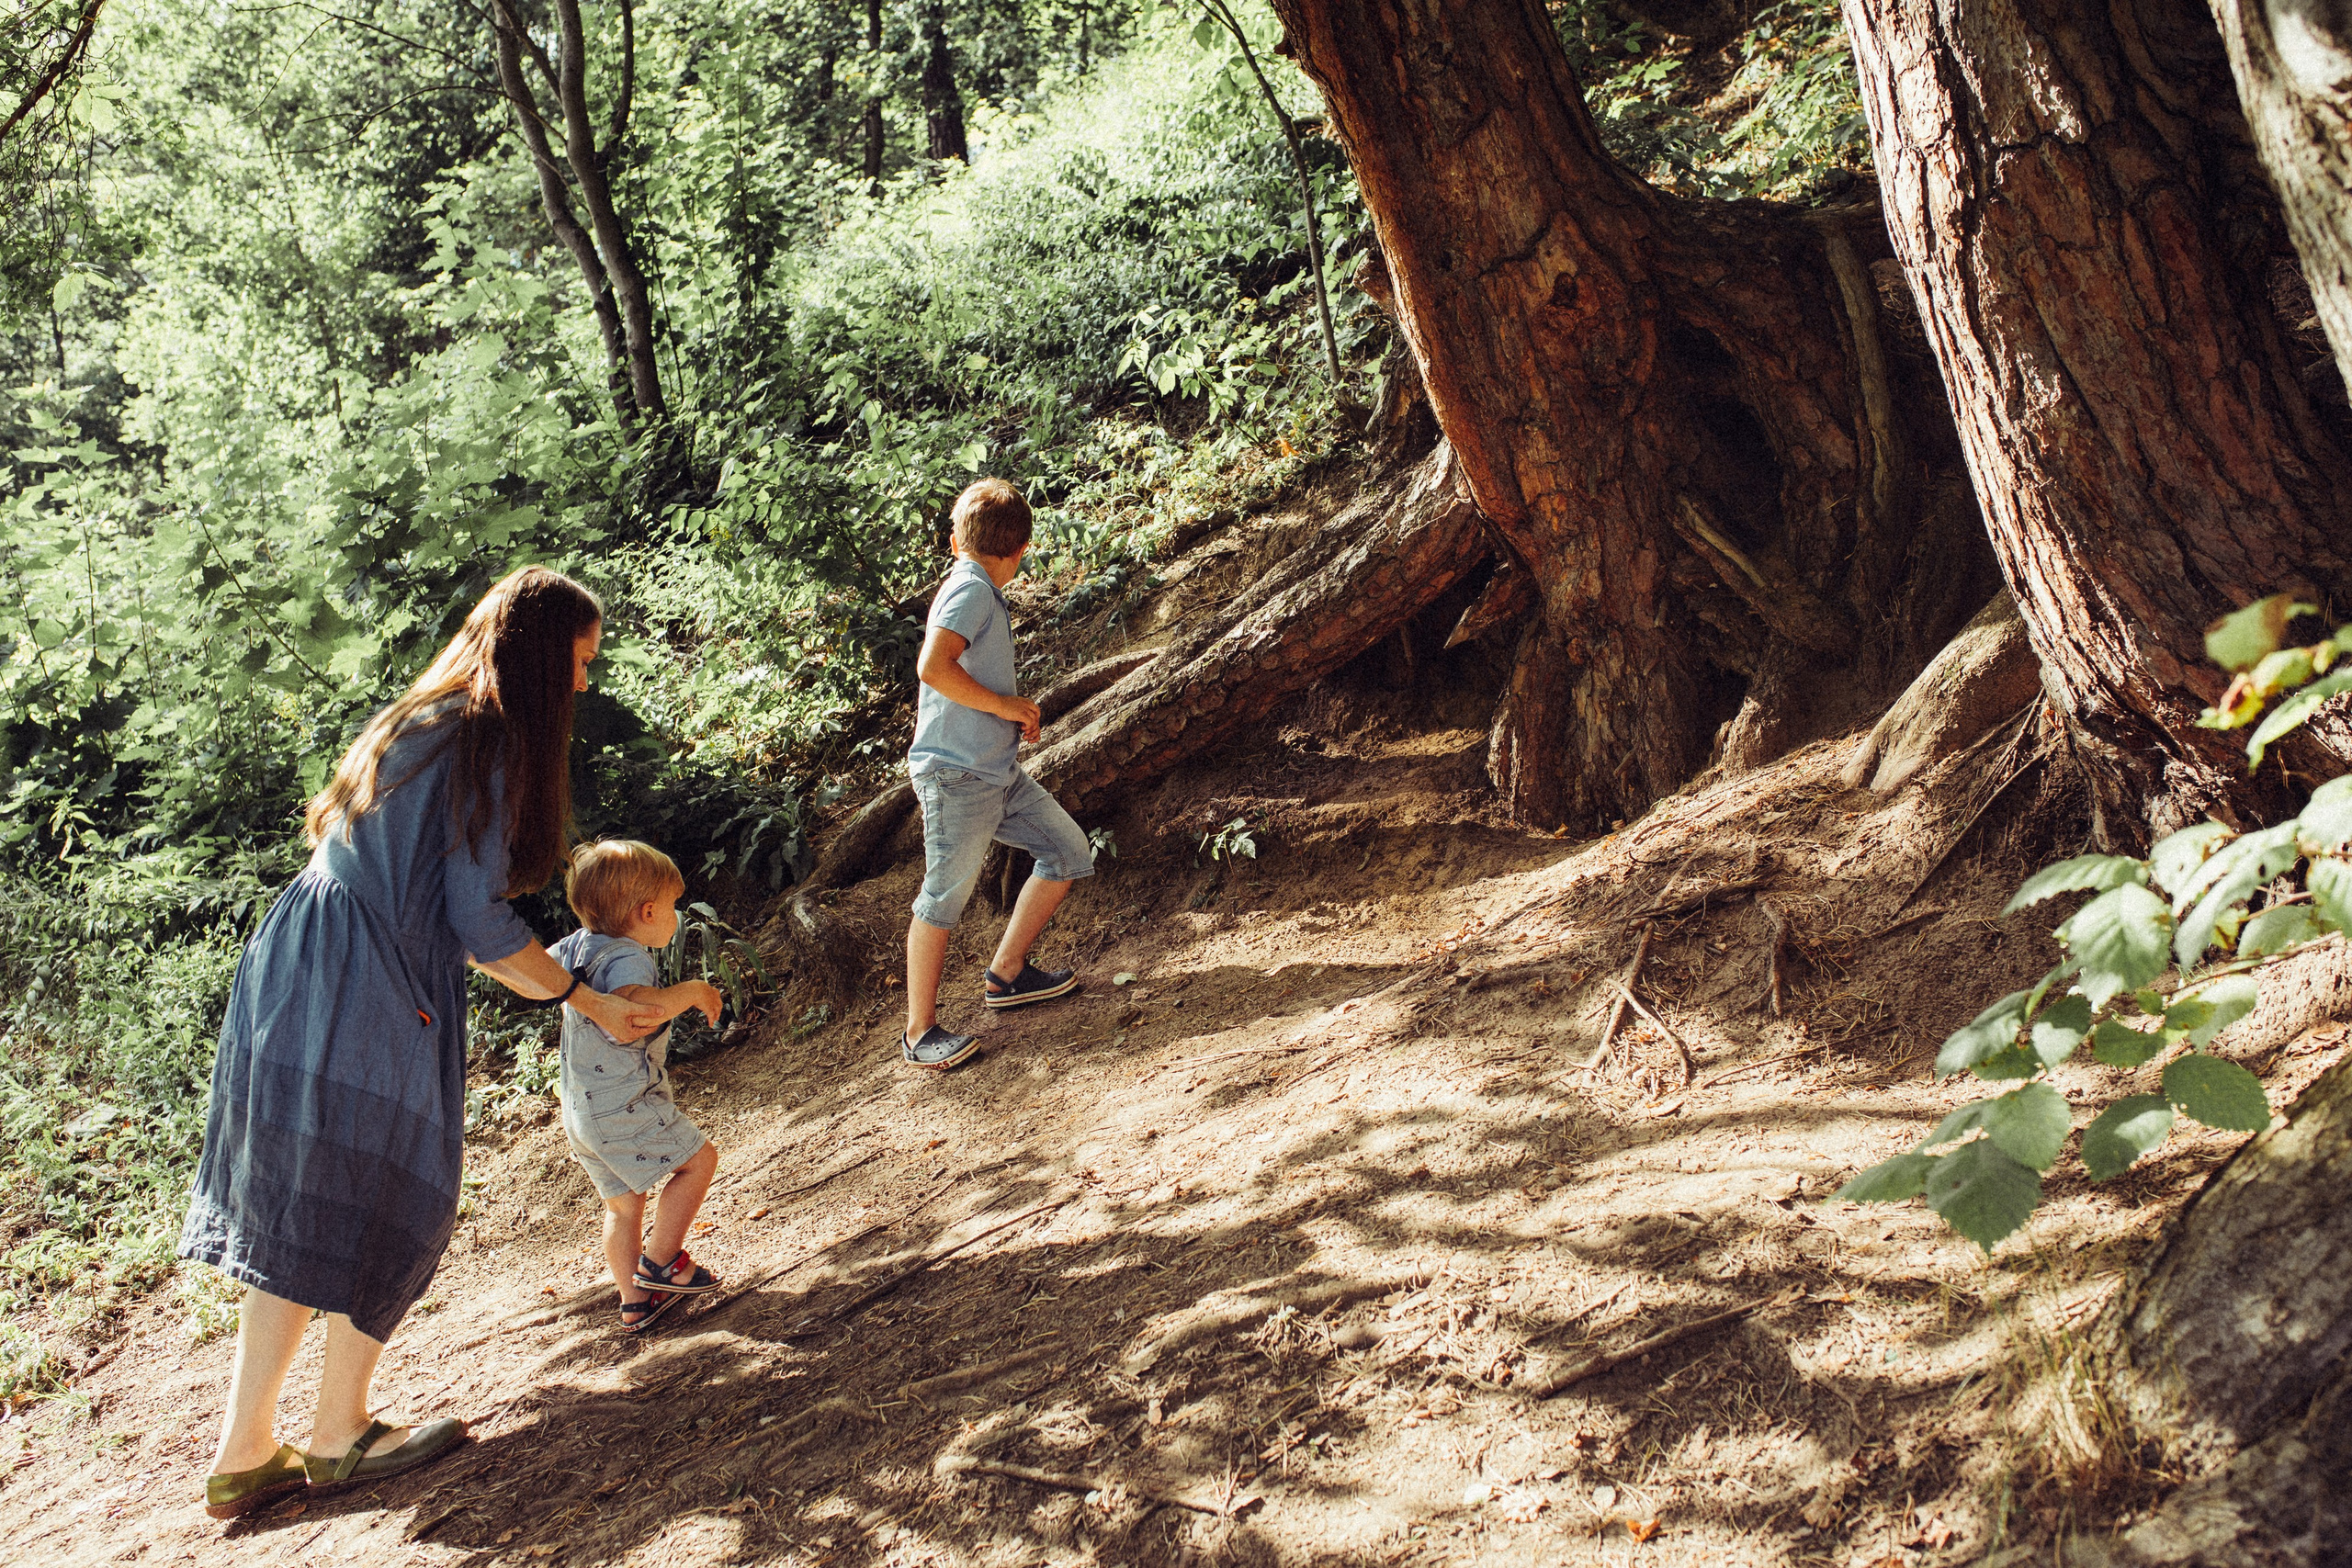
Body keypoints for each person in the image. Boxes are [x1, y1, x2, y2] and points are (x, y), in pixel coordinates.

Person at [177, 567, 666, 1519]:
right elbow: (480, 927)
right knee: (397, 1189)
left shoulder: (421, 715)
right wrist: (588, 1000)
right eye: (576, 662)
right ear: (536, 656)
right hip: (368, 974)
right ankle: (339, 1434)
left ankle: (245, 1453)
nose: (580, 683)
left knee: (306, 1200)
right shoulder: (485, 741)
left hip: (299, 954)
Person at [901, 477, 1094, 1070]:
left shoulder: (973, 584)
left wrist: (1007, 718)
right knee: (941, 900)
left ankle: (1007, 977)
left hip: (997, 772)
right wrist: (1008, 707)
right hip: (957, 779)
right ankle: (918, 1033)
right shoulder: (972, 589)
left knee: (1066, 850)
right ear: (1019, 552)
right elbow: (932, 666)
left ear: (958, 537)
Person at [548, 840, 724, 1334]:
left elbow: (537, 973)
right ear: (648, 911)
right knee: (699, 1161)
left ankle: (635, 1300)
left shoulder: (576, 945)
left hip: (580, 1114)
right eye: (671, 907)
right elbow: (635, 1011)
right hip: (619, 1104)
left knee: (622, 1205)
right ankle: (662, 1262)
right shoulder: (628, 957)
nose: (674, 916)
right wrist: (690, 992)